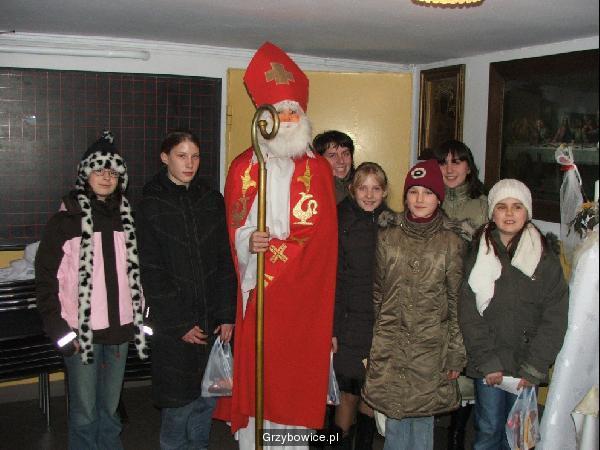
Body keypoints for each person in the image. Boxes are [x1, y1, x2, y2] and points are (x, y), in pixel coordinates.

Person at [224, 42, 337, 448]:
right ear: (264, 119)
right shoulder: (244, 167)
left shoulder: (318, 170)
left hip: (303, 300)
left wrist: (279, 255)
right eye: (280, 113)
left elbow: (324, 241)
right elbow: (234, 230)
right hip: (260, 295)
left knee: (294, 380)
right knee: (261, 377)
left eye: (294, 113)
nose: (287, 120)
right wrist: (248, 242)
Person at [35, 130, 148, 449]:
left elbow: (140, 275)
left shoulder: (128, 220)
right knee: (84, 412)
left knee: (110, 410)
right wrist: (59, 329)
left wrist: (141, 318)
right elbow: (46, 279)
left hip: (120, 332)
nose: (106, 177)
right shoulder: (65, 221)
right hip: (80, 334)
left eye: (113, 172)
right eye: (99, 170)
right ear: (85, 174)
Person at [136, 130, 237, 450]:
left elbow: (225, 260)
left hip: (211, 321)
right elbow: (151, 271)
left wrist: (227, 314)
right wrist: (180, 323)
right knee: (178, 406)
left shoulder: (210, 199)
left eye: (195, 156)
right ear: (165, 158)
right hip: (174, 326)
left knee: (207, 400)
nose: (189, 163)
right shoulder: (150, 204)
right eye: (181, 156)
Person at [362, 159, 467, 450]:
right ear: (405, 196)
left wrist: (455, 354)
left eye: (428, 193)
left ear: (439, 198)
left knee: (422, 419)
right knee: (394, 415)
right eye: (414, 192)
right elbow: (379, 293)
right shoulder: (389, 236)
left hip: (430, 348)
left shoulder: (451, 242)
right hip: (392, 343)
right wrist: (379, 339)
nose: (420, 199)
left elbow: (456, 302)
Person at [459, 179, 568, 450]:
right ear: (492, 213)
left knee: (518, 438)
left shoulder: (545, 259)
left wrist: (535, 366)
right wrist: (487, 361)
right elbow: (468, 312)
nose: (509, 213)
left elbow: (555, 317)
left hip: (525, 364)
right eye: (502, 207)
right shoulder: (477, 255)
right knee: (488, 429)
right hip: (489, 364)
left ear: (527, 211)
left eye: (517, 206)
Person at [332, 162, 391, 449]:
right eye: (363, 188)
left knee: (371, 393)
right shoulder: (339, 221)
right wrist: (332, 327)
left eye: (375, 189)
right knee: (348, 392)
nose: (369, 195)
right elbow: (333, 280)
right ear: (352, 190)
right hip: (348, 320)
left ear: (385, 191)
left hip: (381, 322)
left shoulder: (393, 225)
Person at [432, 139, 487, 449]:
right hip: (433, 295)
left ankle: (456, 432)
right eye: (443, 162)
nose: (450, 169)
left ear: (468, 167)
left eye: (457, 161)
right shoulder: (426, 197)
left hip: (469, 295)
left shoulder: (484, 204)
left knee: (463, 364)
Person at [313, 130, 355, 203]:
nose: (341, 161)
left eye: (345, 154)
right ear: (320, 159)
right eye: (332, 155)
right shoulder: (311, 189)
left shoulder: (364, 185)